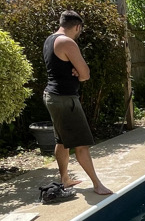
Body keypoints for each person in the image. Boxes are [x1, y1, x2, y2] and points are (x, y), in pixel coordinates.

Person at [42, 10, 112, 195]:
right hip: (65, 100)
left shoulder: (50, 39)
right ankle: (97, 185)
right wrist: (79, 74)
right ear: (77, 27)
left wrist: (76, 72)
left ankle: (65, 178)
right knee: (81, 144)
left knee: (62, 141)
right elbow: (85, 74)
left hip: (53, 97)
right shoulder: (67, 42)